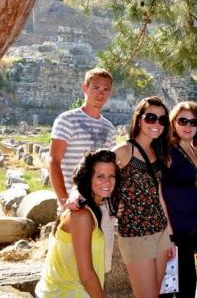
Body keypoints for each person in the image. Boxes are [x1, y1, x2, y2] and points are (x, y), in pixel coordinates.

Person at [48, 67, 116, 272]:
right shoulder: (67, 120)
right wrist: (62, 200)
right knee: (70, 268)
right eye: (95, 87)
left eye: (105, 89)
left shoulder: (109, 128)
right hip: (74, 205)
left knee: (98, 266)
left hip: (100, 206)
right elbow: (53, 161)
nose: (100, 93)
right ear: (84, 88)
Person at [36, 149, 120, 298]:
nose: (107, 182)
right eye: (100, 176)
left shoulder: (93, 208)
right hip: (64, 293)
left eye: (111, 176)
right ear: (88, 179)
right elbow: (86, 274)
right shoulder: (82, 216)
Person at [114, 96, 175, 298]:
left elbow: (158, 194)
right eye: (150, 117)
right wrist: (113, 203)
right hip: (135, 233)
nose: (157, 124)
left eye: (162, 120)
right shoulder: (124, 151)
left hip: (160, 232)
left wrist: (170, 234)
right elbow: (96, 176)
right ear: (138, 119)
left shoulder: (157, 153)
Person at [161, 101, 197, 298]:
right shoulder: (167, 151)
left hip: (191, 229)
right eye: (183, 120)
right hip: (173, 228)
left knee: (187, 286)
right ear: (173, 123)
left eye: (193, 121)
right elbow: (157, 190)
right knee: (171, 290)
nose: (188, 125)